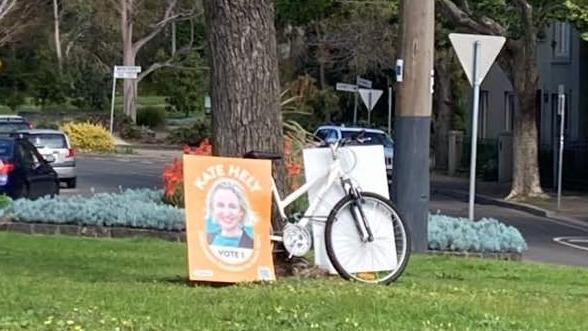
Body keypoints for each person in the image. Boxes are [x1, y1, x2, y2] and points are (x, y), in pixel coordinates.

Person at [205, 180, 254, 249]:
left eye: (232, 206)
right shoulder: (204, 241)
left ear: (241, 211)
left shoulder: (253, 245)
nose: (227, 213)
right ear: (213, 209)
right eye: (221, 205)